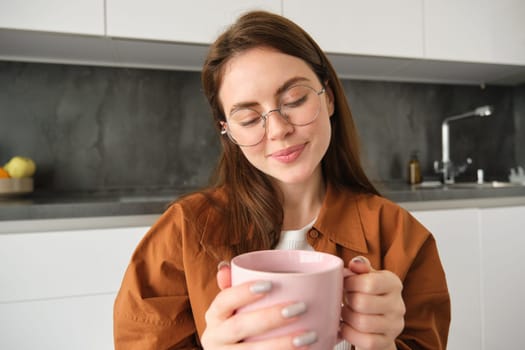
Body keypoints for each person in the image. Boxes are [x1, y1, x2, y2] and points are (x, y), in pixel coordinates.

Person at [113, 10, 450, 350]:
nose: (278, 130)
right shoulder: (182, 234)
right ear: (226, 130)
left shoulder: (401, 237)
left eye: (295, 100)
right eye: (248, 118)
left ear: (328, 97)